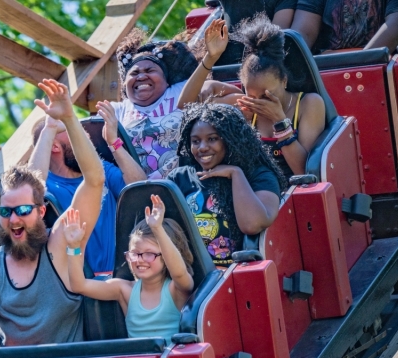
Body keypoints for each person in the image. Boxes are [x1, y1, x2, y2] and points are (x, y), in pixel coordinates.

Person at [0, 79, 105, 348]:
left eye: (22, 210)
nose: (14, 219)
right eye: (6, 211)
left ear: (42, 211)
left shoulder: (60, 245)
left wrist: (68, 118)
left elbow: (94, 180)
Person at [178, 15, 325, 178]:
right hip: (257, 188)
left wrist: (280, 122)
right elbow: (185, 106)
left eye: (267, 95)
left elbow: (305, 172)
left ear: (284, 81)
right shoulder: (246, 107)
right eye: (252, 96)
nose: (259, 102)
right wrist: (210, 58)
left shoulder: (308, 104)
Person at [29, 101, 146, 274]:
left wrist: (114, 143)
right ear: (54, 146)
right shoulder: (47, 186)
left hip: (120, 276)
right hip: (75, 280)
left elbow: (141, 188)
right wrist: (49, 128)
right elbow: (29, 190)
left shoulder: (102, 168)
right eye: (71, 130)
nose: (84, 135)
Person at [62, 196, 195, 341]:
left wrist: (157, 229)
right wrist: (73, 247)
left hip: (172, 355)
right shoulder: (125, 290)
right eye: (134, 253)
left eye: (149, 254)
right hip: (138, 356)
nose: (139, 259)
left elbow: (179, 273)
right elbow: (79, 285)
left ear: (165, 256)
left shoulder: (176, 290)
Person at [173, 103, 286, 267]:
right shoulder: (179, 178)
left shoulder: (260, 175)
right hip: (193, 275)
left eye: (212, 139)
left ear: (231, 139)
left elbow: (252, 225)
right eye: (195, 141)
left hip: (238, 273)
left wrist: (235, 174)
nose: (202, 147)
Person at [113, 32, 200, 180]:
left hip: (185, 182)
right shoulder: (118, 110)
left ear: (166, 81)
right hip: (138, 186)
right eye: (134, 73)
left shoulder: (179, 91)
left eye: (150, 70)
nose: (141, 76)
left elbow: (213, 87)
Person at [291, 0, 398, 51]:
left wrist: (361, 63)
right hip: (326, 70)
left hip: (381, 68)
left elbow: (397, 24)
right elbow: (302, 33)